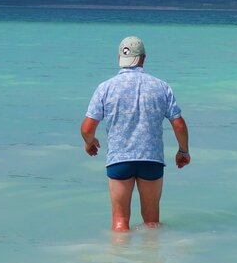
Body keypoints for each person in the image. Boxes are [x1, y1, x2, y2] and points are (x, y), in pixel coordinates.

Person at [81, 36, 190, 232]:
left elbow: (87, 128)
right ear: (143, 58)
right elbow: (179, 124)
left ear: (119, 58)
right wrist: (183, 151)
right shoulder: (161, 86)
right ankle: (151, 259)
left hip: (119, 161)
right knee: (152, 222)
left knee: (120, 221)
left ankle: (120, 261)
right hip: (151, 160)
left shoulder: (105, 88)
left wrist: (90, 142)